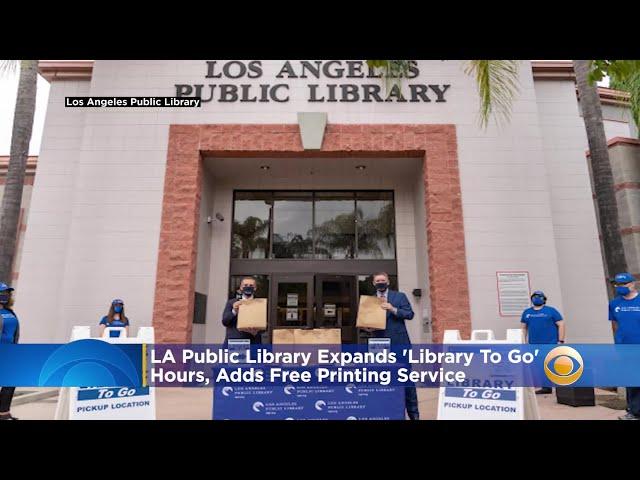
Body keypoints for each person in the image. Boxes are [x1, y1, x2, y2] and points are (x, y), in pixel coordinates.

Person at [365, 272, 418, 420]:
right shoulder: (369, 300)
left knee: (405, 379)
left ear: (388, 282)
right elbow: (365, 321)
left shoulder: (399, 296)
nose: (380, 282)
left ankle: (414, 415)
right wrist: (367, 328)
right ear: (373, 284)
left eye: (383, 280)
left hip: (399, 343)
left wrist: (392, 308)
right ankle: (386, 414)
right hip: (379, 344)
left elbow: (409, 314)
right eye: (378, 281)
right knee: (382, 380)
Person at [520, 290, 565, 394]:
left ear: (544, 299)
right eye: (535, 296)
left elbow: (561, 324)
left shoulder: (551, 311)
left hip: (550, 343)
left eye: (539, 296)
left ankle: (562, 387)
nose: (537, 298)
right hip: (534, 344)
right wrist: (522, 341)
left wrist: (561, 340)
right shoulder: (527, 312)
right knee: (539, 365)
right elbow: (523, 328)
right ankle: (546, 387)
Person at [608, 272, 640, 420]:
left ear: (633, 284)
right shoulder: (614, 304)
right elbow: (614, 324)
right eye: (617, 285)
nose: (620, 287)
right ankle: (633, 411)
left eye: (623, 284)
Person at [222, 277, 263, 347]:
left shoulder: (260, 303)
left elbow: (265, 324)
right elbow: (225, 321)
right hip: (236, 342)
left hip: (253, 342)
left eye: (251, 286)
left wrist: (257, 331)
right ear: (241, 288)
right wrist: (234, 311)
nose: (248, 287)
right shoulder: (232, 302)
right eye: (245, 285)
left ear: (255, 288)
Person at [0, 282, 20, 420]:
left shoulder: (10, 312)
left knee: (10, 382)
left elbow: (14, 333)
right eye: (2, 293)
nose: (5, 295)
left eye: (7, 293)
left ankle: (4, 412)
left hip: (10, 352)